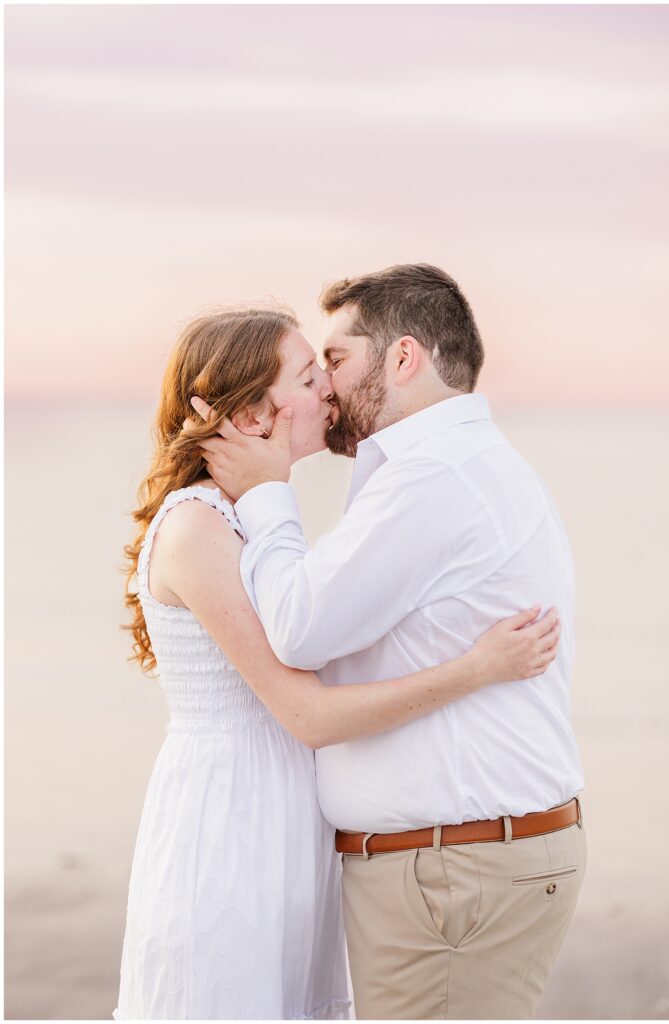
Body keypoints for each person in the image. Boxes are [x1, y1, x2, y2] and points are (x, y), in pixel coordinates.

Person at [115, 306, 561, 1021]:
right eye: (305, 375)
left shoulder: (253, 522)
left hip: (287, 824)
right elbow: (308, 716)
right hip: (230, 826)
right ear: (254, 414)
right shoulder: (198, 527)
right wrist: (474, 670)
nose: (328, 389)